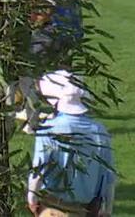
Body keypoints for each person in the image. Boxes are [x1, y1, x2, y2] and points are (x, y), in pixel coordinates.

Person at [28, 71, 115, 216]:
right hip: (84, 209)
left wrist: (32, 199)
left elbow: (38, 170)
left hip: (52, 208)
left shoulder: (48, 129)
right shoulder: (100, 131)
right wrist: (108, 209)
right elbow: (108, 177)